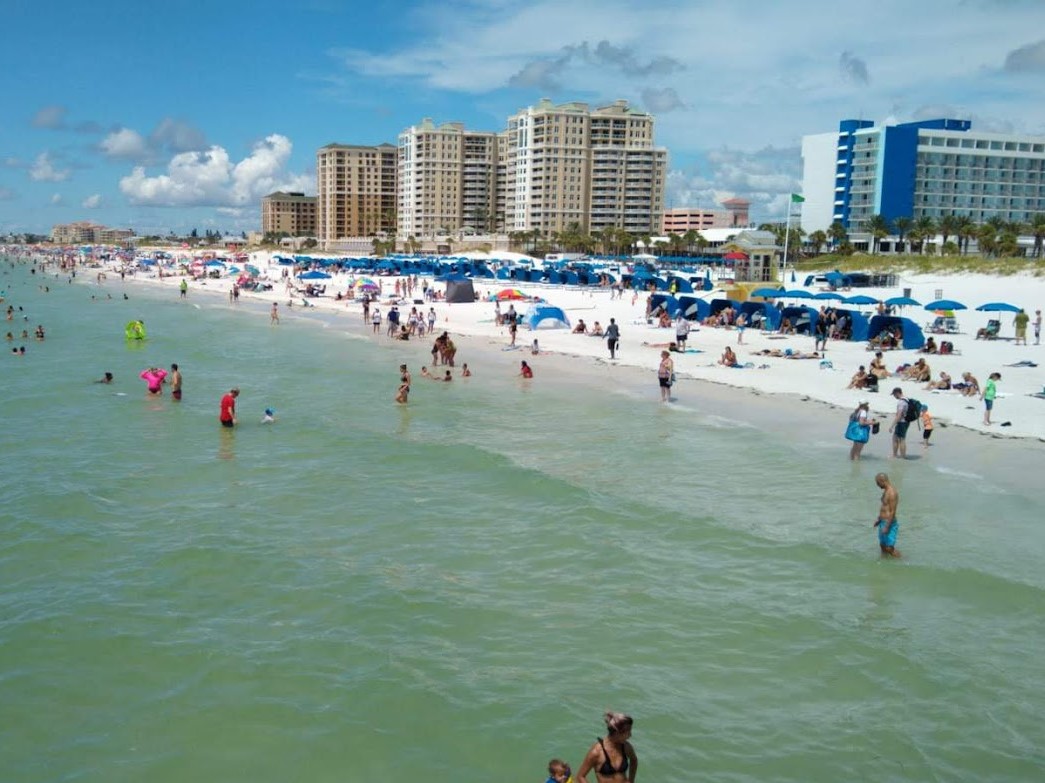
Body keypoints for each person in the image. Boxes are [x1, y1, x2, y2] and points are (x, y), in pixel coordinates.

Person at [576, 712, 637, 783]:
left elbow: (634, 760)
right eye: (628, 732)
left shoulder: (626, 747)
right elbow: (580, 776)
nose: (630, 735)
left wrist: (631, 780)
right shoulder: (596, 752)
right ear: (617, 733)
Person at [873, 473, 901, 558]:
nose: (878, 486)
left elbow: (892, 511)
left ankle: (902, 560)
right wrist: (879, 519)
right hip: (883, 522)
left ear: (882, 481)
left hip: (890, 523)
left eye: (878, 483)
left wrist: (887, 526)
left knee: (889, 548)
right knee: (882, 545)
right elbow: (884, 507)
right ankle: (883, 564)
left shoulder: (892, 493)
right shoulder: (886, 491)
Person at [889, 387, 912, 459]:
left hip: (902, 422)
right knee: (898, 438)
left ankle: (900, 456)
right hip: (906, 421)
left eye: (894, 395)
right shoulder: (907, 399)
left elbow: (899, 415)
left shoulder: (901, 402)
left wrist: (892, 425)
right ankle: (899, 455)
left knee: (899, 439)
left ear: (897, 393)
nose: (894, 396)